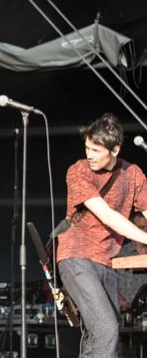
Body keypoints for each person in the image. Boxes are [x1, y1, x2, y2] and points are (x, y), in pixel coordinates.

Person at [56, 113, 147, 358]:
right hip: (77, 257)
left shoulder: (133, 174)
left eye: (96, 150)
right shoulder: (78, 171)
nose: (90, 155)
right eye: (87, 148)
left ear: (115, 149)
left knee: (103, 333)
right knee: (105, 329)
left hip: (107, 262)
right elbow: (108, 216)